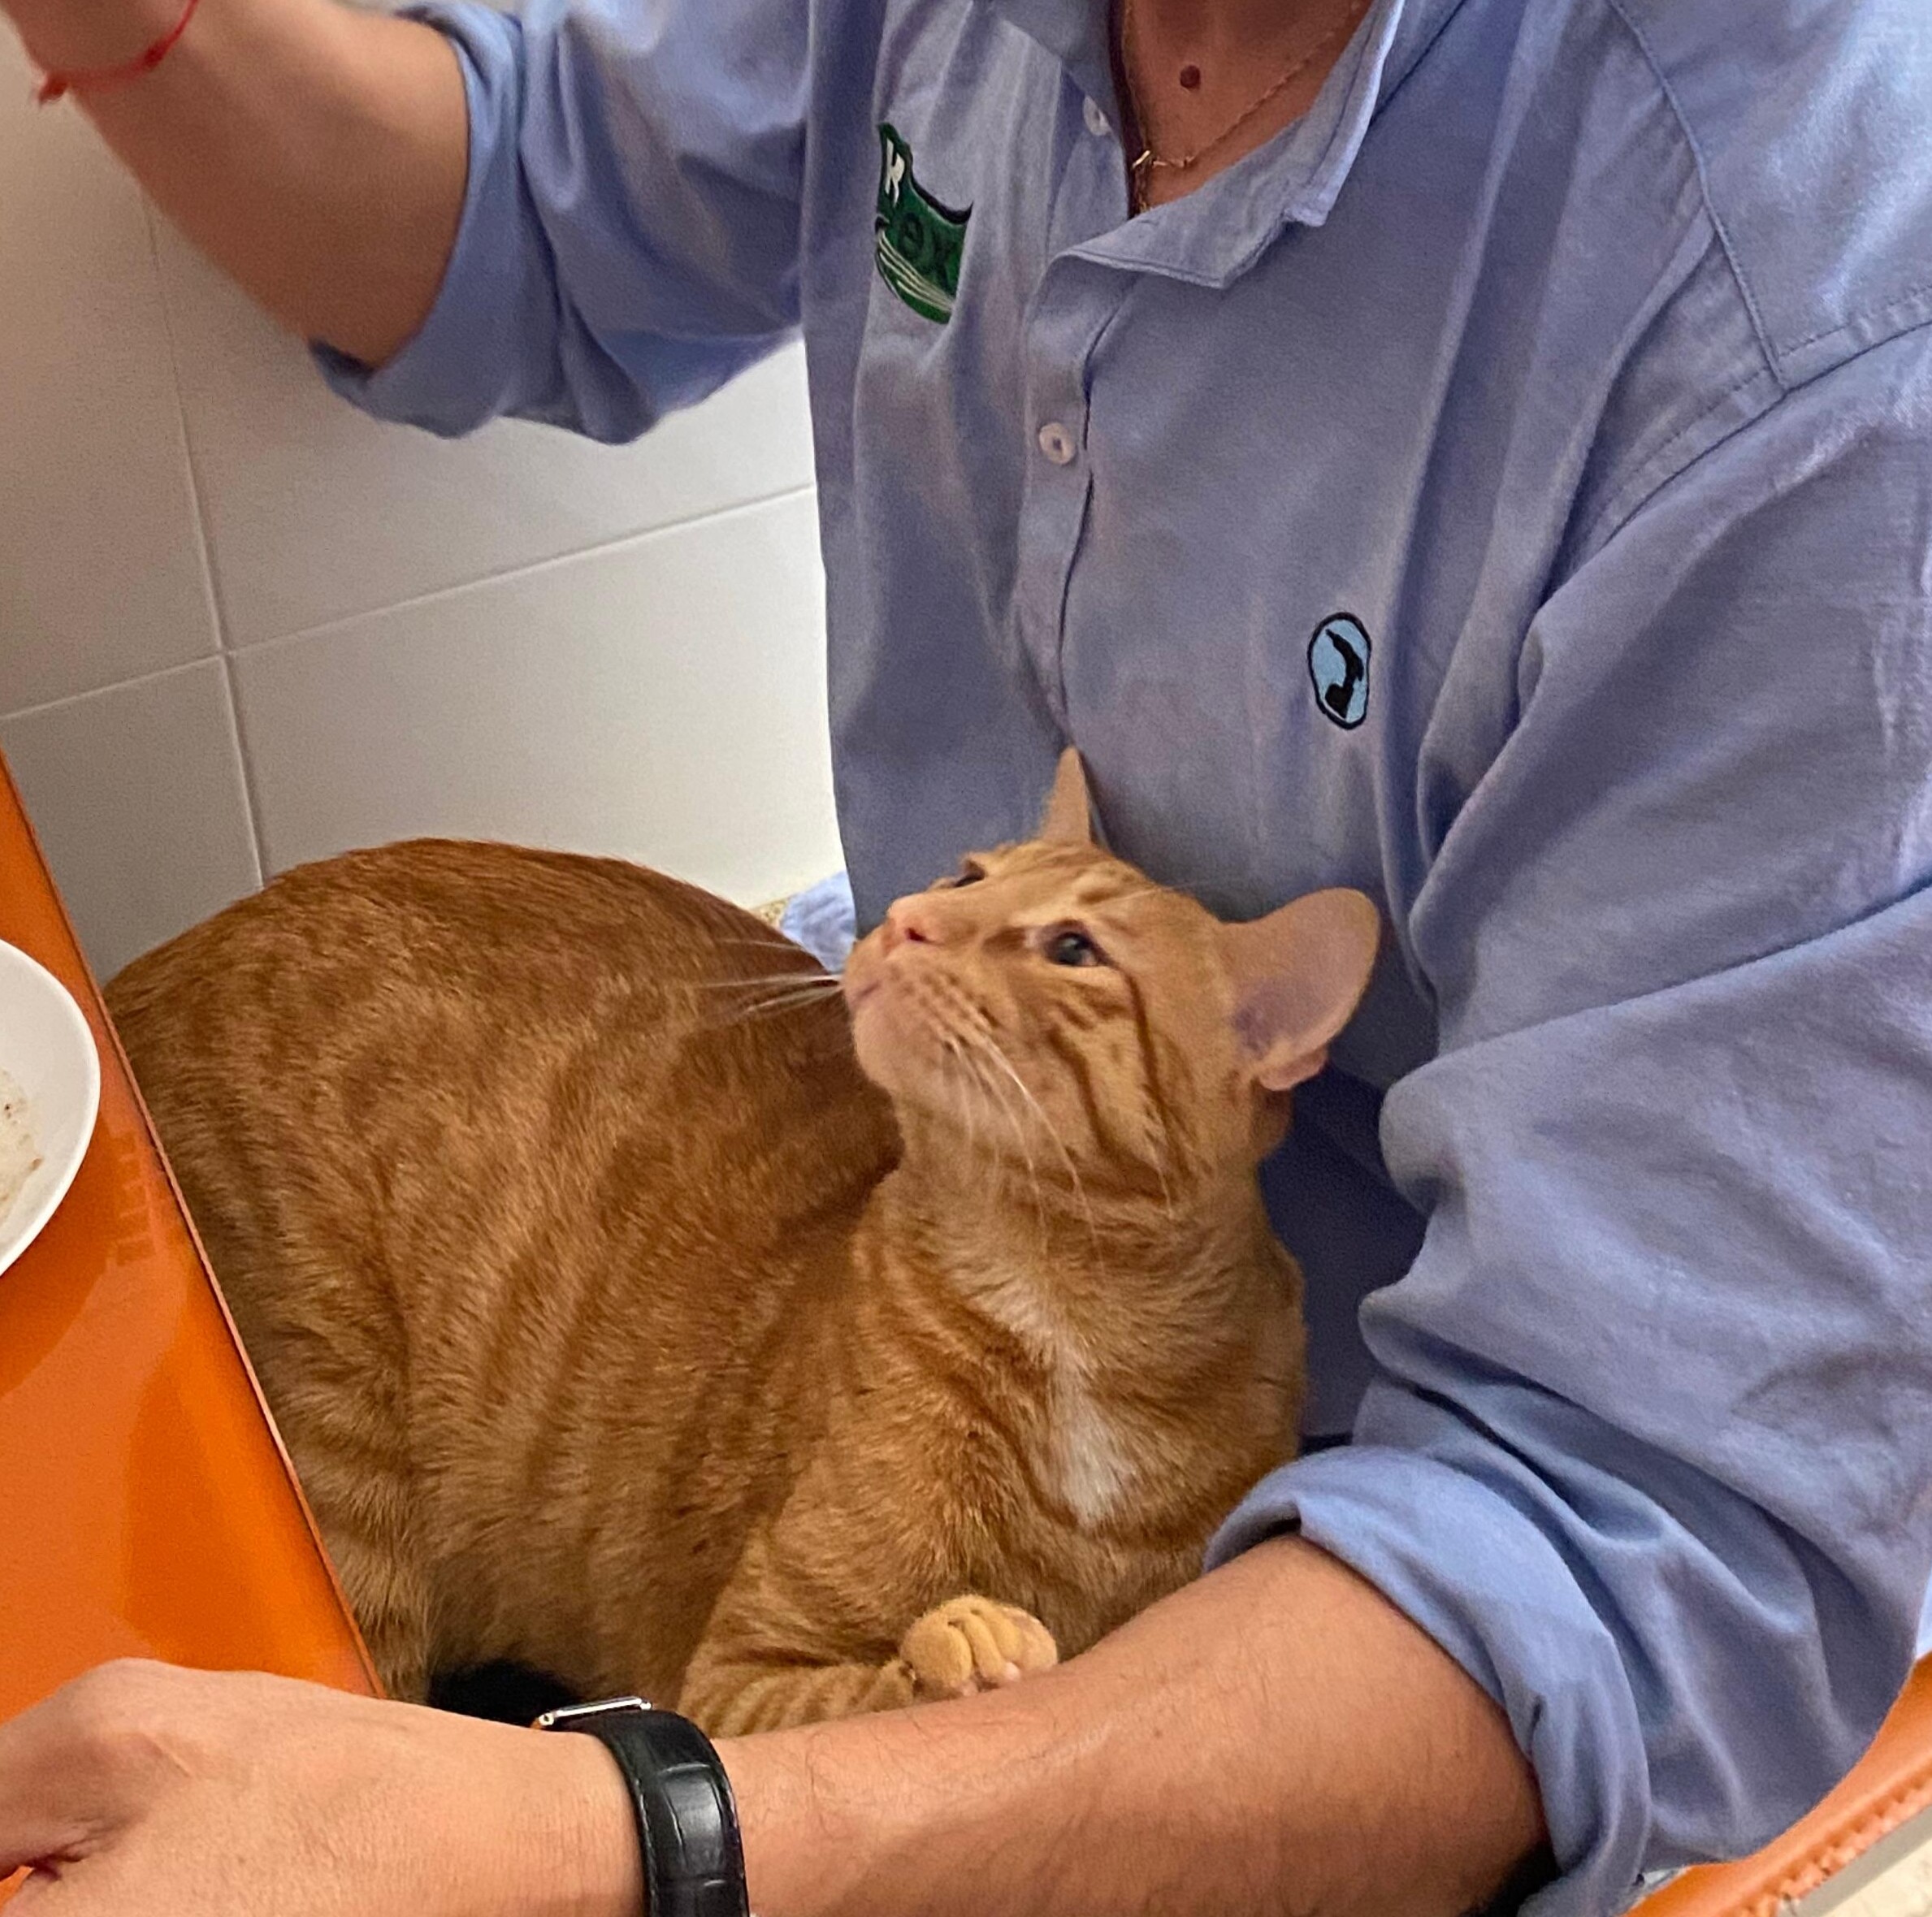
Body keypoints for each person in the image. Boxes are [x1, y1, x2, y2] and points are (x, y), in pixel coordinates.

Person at [3, 0, 1930, 1910]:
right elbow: (528, 211)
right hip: (867, 1262)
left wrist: (612, 1840)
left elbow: (1619, 1548)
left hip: (1358, 1636)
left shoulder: (1806, 314)